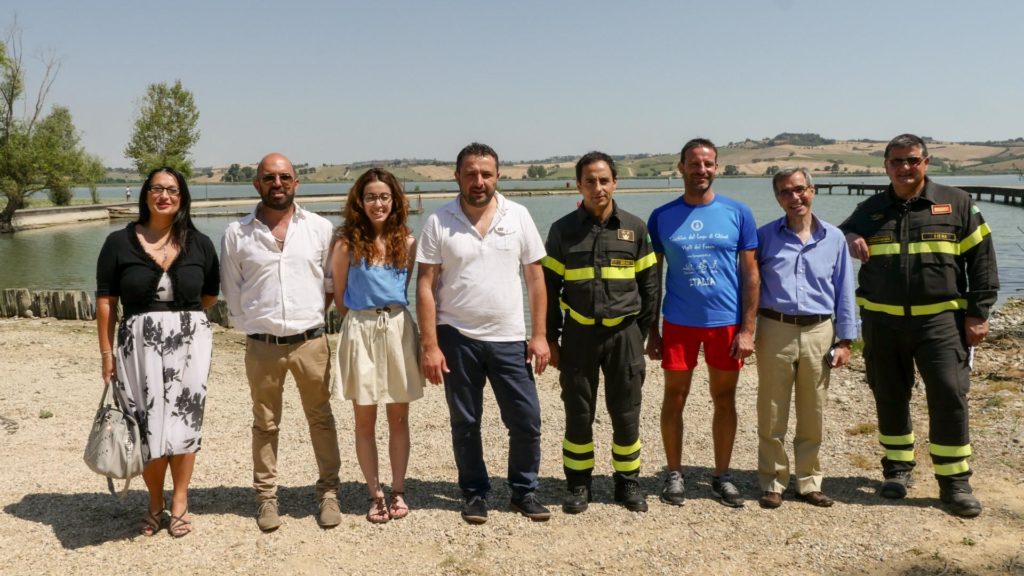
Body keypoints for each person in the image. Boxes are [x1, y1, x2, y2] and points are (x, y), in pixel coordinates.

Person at [839, 134, 998, 518]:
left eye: (912, 160)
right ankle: (897, 470)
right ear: (886, 165)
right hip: (882, 321)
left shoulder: (957, 203)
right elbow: (835, 238)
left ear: (926, 162)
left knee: (948, 393)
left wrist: (979, 313)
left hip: (941, 321)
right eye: (896, 161)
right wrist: (850, 235)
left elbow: (982, 261)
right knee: (889, 394)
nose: (904, 168)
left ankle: (954, 481)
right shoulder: (871, 209)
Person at [416, 142, 551, 524]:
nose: (479, 181)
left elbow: (535, 278)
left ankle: (524, 491)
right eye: (471, 173)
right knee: (466, 422)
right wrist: (431, 345)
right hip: (457, 337)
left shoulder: (519, 216)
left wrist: (539, 335)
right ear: (457, 176)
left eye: (486, 174)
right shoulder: (438, 221)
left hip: (510, 336)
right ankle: (474, 493)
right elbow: (425, 285)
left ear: (497, 176)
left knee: (526, 420)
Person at [96, 166, 220, 537]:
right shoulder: (118, 243)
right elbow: (106, 301)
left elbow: (209, 294)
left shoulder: (200, 243)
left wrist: (180, 324)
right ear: (146, 194)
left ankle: (179, 500)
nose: (164, 195)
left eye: (172, 190)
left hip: (190, 342)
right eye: (156, 189)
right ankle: (154, 502)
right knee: (146, 426)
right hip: (137, 344)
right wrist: (106, 354)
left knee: (185, 424)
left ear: (182, 198)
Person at [220, 153, 342, 531]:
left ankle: (328, 493)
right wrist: (257, 330)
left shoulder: (321, 229)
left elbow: (329, 284)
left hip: (311, 343)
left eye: (284, 177)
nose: (277, 183)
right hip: (262, 346)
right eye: (269, 177)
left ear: (296, 183)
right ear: (257, 184)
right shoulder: (236, 234)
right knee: (265, 423)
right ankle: (266, 498)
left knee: (321, 418)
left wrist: (310, 319)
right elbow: (232, 292)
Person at [542, 152, 658, 513]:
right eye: (589, 181)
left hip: (624, 335)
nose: (597, 187)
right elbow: (547, 289)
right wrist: (551, 338)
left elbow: (650, 287)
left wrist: (640, 335)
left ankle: (627, 483)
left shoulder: (635, 229)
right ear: (579, 185)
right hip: (579, 335)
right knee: (578, 412)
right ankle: (578, 484)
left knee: (626, 413)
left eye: (604, 180)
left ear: (615, 183)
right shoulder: (562, 231)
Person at [646, 137, 759, 508]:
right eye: (694, 164)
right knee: (673, 398)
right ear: (681, 167)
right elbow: (653, 278)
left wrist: (748, 329)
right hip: (678, 322)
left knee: (724, 399)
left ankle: (722, 476)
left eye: (708, 164)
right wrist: (652, 329)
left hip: (725, 323)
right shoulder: (661, 216)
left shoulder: (738, 213)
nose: (702, 170)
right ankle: (674, 473)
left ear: (717, 167)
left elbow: (751, 274)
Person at [754, 167, 858, 510]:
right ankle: (772, 481)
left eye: (800, 189)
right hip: (775, 328)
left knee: (813, 410)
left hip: (819, 331)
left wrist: (846, 340)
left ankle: (809, 481)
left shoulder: (834, 238)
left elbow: (844, 290)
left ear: (812, 191)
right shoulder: (765, 237)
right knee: (771, 409)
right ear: (777, 198)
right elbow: (750, 288)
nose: (794, 197)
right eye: (785, 192)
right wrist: (745, 330)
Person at [330, 168, 424, 524]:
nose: (378, 203)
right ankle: (375, 494)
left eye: (384, 196)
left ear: (394, 200)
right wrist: (364, 322)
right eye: (371, 196)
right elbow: (341, 298)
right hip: (361, 328)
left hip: (398, 327)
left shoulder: (408, 242)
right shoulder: (346, 243)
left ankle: (398, 489)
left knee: (399, 417)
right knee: (364, 419)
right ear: (360, 201)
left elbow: (406, 289)